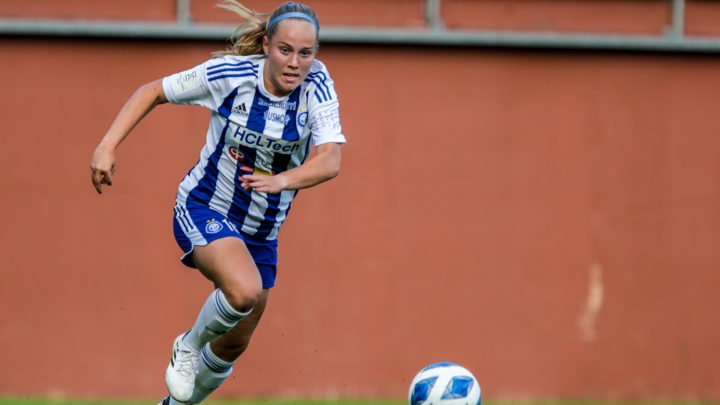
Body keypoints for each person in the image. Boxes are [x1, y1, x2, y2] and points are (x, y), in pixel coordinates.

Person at [89, 2, 345, 403]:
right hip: (206, 205)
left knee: (231, 345)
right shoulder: (230, 76)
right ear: (265, 45)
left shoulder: (318, 85)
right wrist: (107, 146)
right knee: (243, 291)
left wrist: (282, 180)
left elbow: (330, 160)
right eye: (284, 50)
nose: (296, 63)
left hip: (262, 231)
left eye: (306, 53)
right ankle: (187, 346)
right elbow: (153, 91)